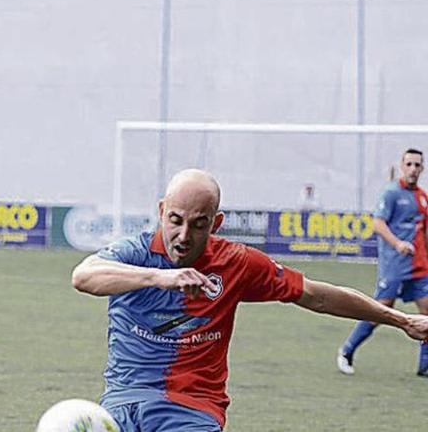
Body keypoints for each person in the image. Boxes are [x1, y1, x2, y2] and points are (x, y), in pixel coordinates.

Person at [71, 169, 428, 432]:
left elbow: (317, 296)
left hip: (191, 410)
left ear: (217, 222)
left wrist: (401, 320)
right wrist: (161, 277)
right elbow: (83, 276)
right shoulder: (133, 254)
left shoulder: (236, 263)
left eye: (198, 224)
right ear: (162, 210)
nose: (183, 235)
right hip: (123, 403)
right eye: (175, 221)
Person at [337, 148, 428, 376]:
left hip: (419, 267)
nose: (413, 169)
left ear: (422, 169)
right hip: (395, 265)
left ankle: (425, 366)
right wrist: (398, 244)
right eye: (409, 164)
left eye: (417, 165)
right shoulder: (391, 193)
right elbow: (378, 224)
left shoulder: (423, 197)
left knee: (427, 312)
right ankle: (347, 351)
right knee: (380, 311)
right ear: (401, 165)